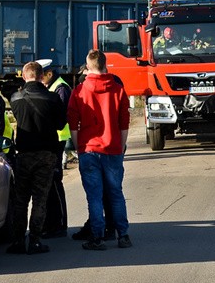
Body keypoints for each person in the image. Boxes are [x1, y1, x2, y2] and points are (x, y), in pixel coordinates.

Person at [67, 50, 132, 250]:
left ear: (88, 66)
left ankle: (98, 237)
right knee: (116, 193)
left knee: (94, 196)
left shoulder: (79, 90)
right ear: (105, 64)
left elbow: (73, 123)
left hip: (89, 149)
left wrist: (79, 148)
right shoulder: (118, 89)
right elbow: (124, 123)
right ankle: (123, 235)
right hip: (112, 149)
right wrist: (120, 147)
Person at [7, 61, 67, 255]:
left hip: (23, 154)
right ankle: (35, 241)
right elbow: (60, 124)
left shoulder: (15, 98)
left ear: (24, 77)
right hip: (46, 155)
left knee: (21, 200)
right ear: (42, 76)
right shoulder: (52, 98)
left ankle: (18, 241)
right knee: (40, 199)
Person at [37, 58, 71, 239]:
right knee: (50, 183)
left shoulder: (60, 88)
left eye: (41, 76)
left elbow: (61, 117)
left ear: (49, 74)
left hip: (58, 139)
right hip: (50, 139)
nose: (39, 80)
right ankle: (52, 224)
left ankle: (60, 225)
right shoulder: (52, 86)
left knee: (55, 182)